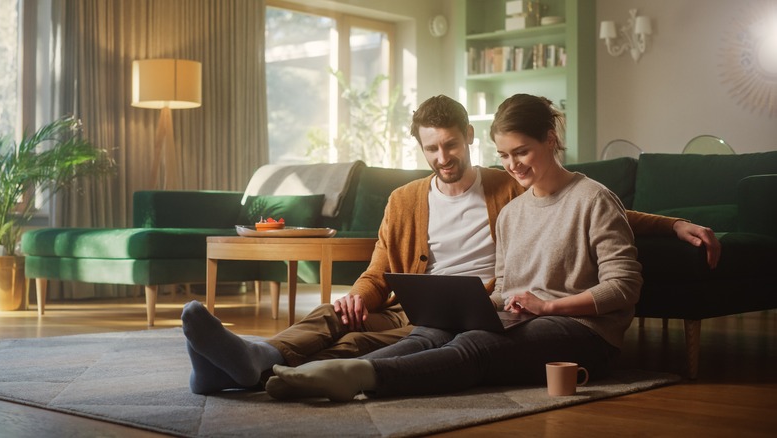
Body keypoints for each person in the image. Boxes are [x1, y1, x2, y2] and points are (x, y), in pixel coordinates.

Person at [181, 95, 720, 395]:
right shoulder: (409, 200)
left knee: (386, 346)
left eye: (452, 145)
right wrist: (360, 298)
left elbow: (595, 212)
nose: (443, 157)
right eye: (432, 149)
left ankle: (281, 376)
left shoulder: (509, 189)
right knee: (335, 317)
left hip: (484, 309)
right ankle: (253, 359)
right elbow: (378, 271)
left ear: (467, 139)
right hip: (421, 306)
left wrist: (672, 224)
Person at [264, 93, 644, 402]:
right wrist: (480, 305)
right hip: (527, 319)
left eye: (522, 152)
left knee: (475, 343)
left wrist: (547, 306)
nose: (513, 165)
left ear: (550, 139)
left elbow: (624, 287)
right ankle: (316, 373)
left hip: (583, 330)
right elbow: (509, 285)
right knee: (432, 333)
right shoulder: (512, 212)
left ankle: (363, 376)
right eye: (505, 156)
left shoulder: (593, 198)